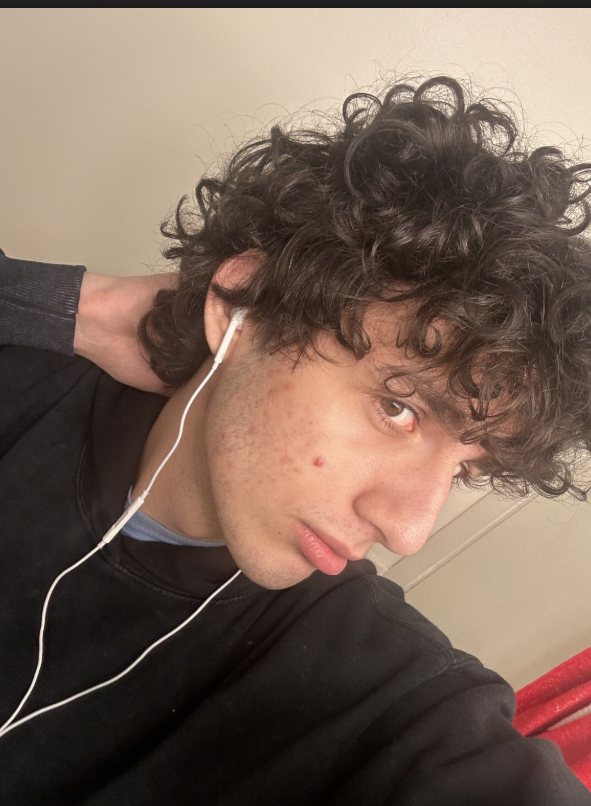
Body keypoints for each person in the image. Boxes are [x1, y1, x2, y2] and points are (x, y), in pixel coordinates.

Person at [1, 75, 591, 804]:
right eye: (399, 408)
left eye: (465, 468)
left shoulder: (381, 692)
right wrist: (74, 307)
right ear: (241, 306)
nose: (407, 530)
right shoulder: (24, 382)